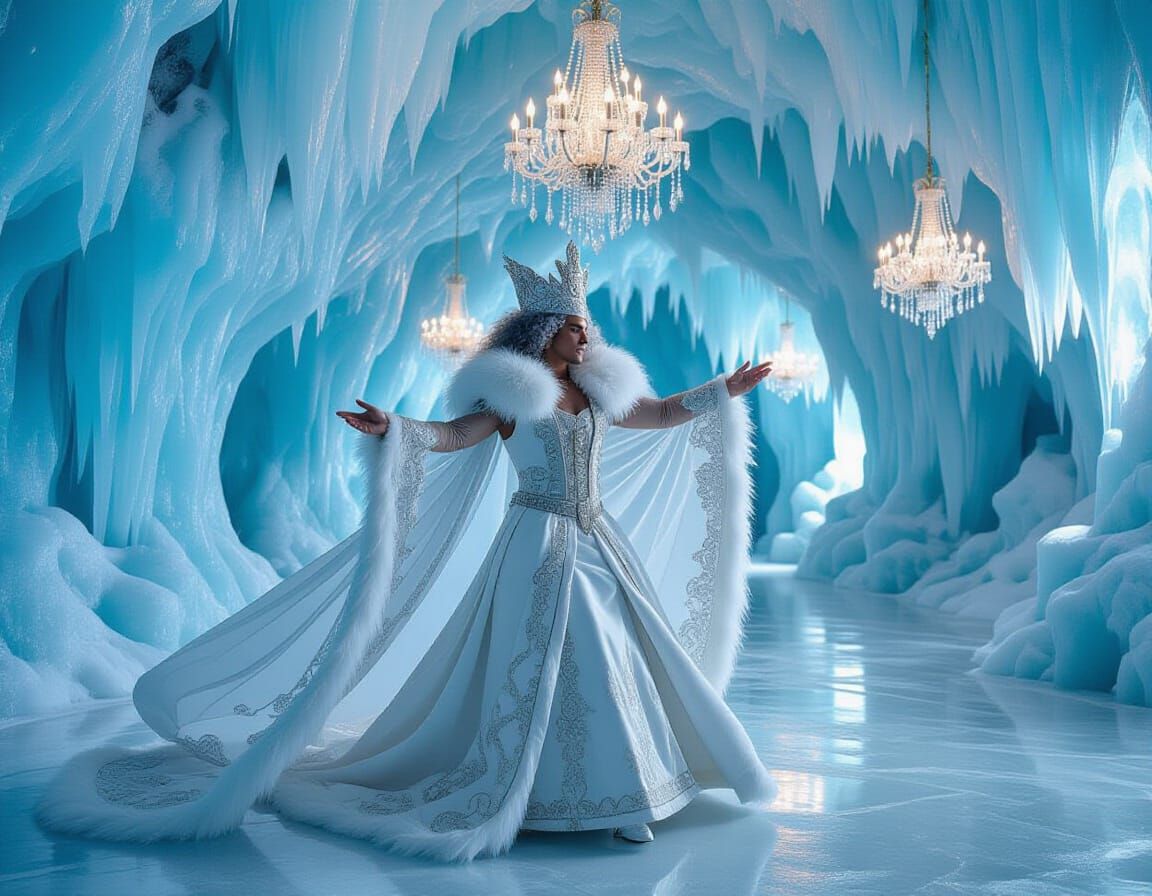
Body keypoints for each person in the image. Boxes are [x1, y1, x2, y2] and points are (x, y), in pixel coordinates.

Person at [37, 242, 775, 862]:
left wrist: (723, 389)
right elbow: (453, 438)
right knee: (552, 658)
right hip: (536, 543)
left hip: (596, 538)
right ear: (545, 330)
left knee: (616, 653)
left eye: (586, 329)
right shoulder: (508, 396)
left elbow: (661, 413)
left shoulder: (597, 391)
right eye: (576, 328)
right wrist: (395, 428)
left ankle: (622, 788)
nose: (587, 339)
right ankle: (545, 791)